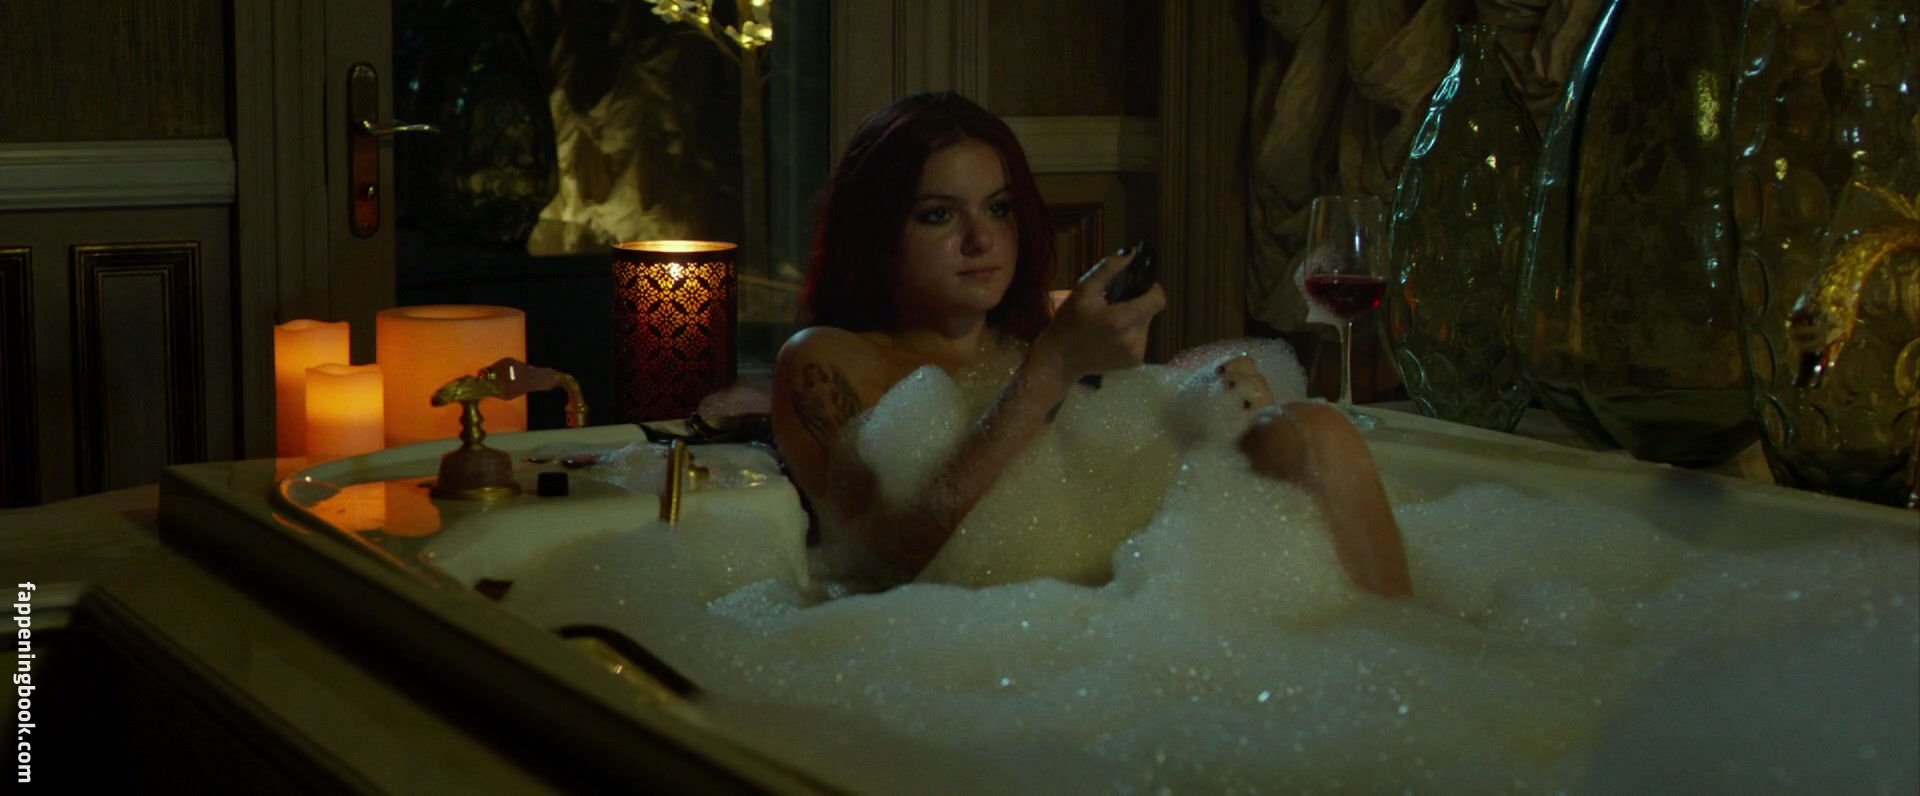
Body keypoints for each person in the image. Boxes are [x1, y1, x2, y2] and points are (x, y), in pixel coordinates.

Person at [770, 92, 1409, 598]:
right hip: (993, 642)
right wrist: (1054, 366)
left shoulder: (1030, 343)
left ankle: (1405, 655)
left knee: (1314, 431)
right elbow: (894, 551)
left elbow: (1130, 480)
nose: (981, 239)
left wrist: (1216, 404)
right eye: (938, 214)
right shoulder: (828, 360)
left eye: (998, 208)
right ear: (877, 231)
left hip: (1128, 611)